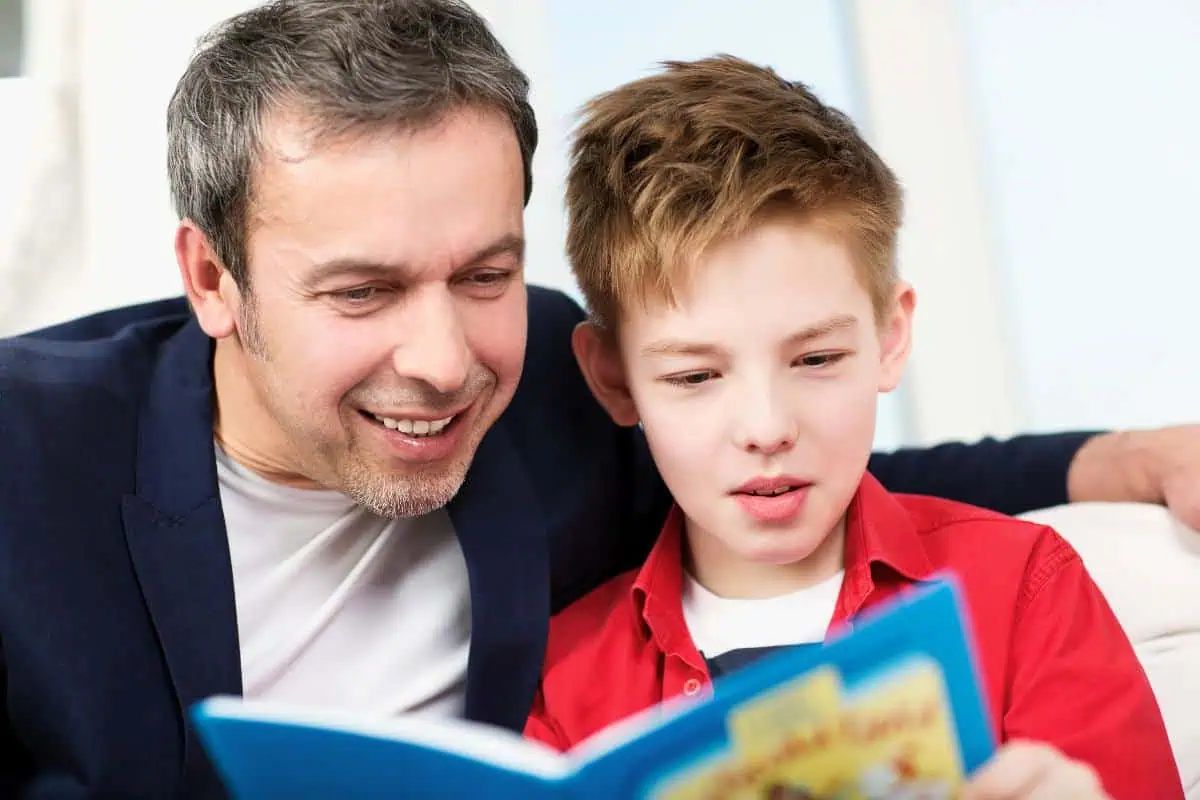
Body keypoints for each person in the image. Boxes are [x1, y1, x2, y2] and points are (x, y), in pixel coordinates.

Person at [0, 1, 1195, 797]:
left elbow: (817, 468)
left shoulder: (556, 389)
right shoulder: (24, 457)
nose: (444, 359)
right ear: (214, 277)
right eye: (363, 291)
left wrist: (1124, 456)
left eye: (487, 274)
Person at [522, 55, 1183, 800]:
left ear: (889, 338)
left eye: (816, 357)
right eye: (695, 377)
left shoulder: (1026, 587)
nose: (767, 429)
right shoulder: (560, 681)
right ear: (613, 378)